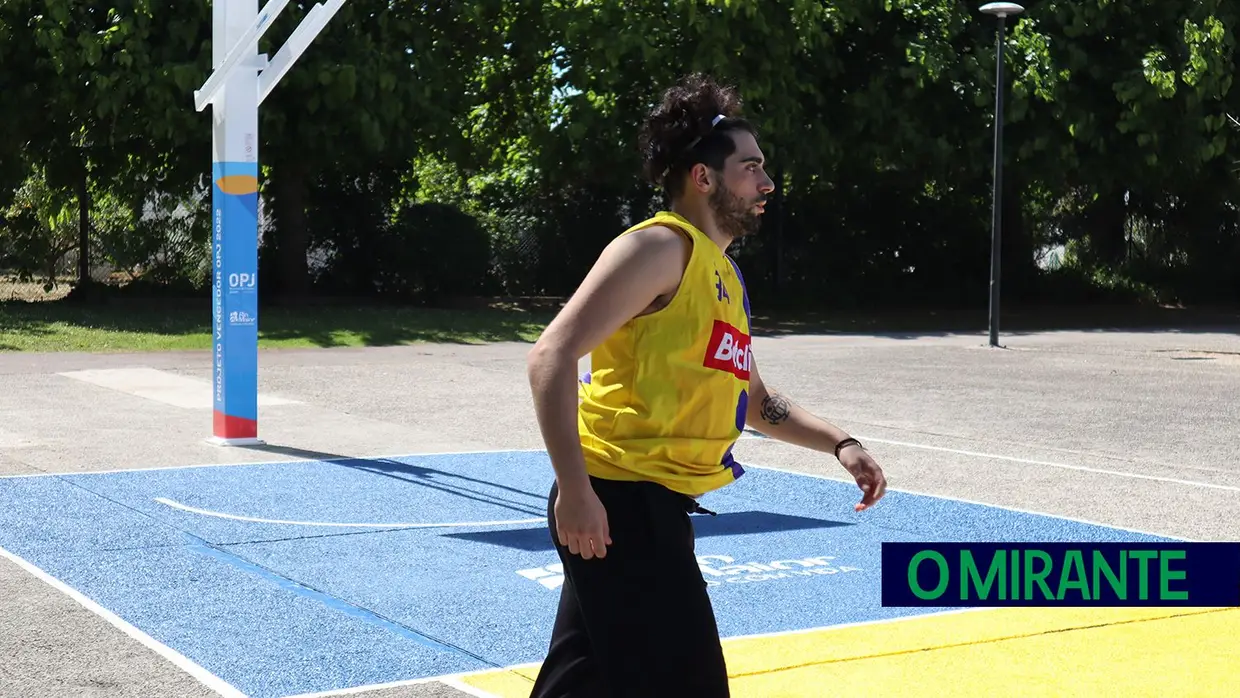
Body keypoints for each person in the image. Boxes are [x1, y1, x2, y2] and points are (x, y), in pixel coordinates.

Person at [524, 73, 889, 698]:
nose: (767, 183)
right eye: (751, 168)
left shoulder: (722, 276)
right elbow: (550, 358)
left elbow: (755, 402)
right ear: (703, 177)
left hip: (650, 506)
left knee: (581, 679)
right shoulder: (660, 249)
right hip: (621, 502)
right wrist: (578, 493)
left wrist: (840, 443)